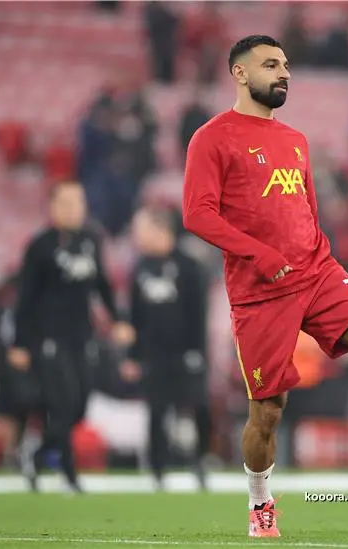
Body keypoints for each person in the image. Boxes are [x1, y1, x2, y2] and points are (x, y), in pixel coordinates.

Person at [182, 35, 348, 538]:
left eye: (286, 64)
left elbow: (304, 212)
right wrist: (259, 255)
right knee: (268, 413)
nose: (283, 73)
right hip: (259, 291)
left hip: (317, 270)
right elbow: (196, 214)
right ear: (239, 74)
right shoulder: (212, 138)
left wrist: (317, 255)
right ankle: (260, 501)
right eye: (270, 64)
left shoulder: (296, 141)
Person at [7, 181, 134, 493]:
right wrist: (20, 342)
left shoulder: (91, 240)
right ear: (52, 207)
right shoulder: (40, 246)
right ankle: (68, 473)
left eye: (79, 201)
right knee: (62, 404)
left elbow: (102, 285)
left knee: (79, 405)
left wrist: (117, 320)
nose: (74, 208)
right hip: (49, 339)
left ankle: (36, 455)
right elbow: (25, 298)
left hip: (82, 336)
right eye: (67, 202)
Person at [122, 206, 211, 491]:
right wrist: (132, 356)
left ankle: (200, 460)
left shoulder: (188, 266)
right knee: (156, 412)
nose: (138, 237)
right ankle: (158, 469)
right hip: (153, 355)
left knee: (198, 408)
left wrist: (197, 351)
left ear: (161, 229)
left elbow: (199, 312)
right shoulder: (140, 268)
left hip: (185, 352)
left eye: (143, 229)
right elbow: (134, 316)